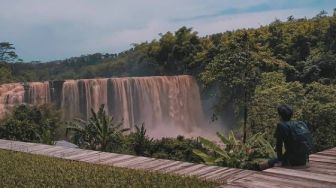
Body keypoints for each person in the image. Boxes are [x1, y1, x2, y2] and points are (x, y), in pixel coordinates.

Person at [260, 104, 313, 169]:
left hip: (291, 160)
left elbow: (279, 145)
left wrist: (280, 161)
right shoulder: (300, 123)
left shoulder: (281, 125)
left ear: (280, 115)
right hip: (303, 159)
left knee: (264, 165)